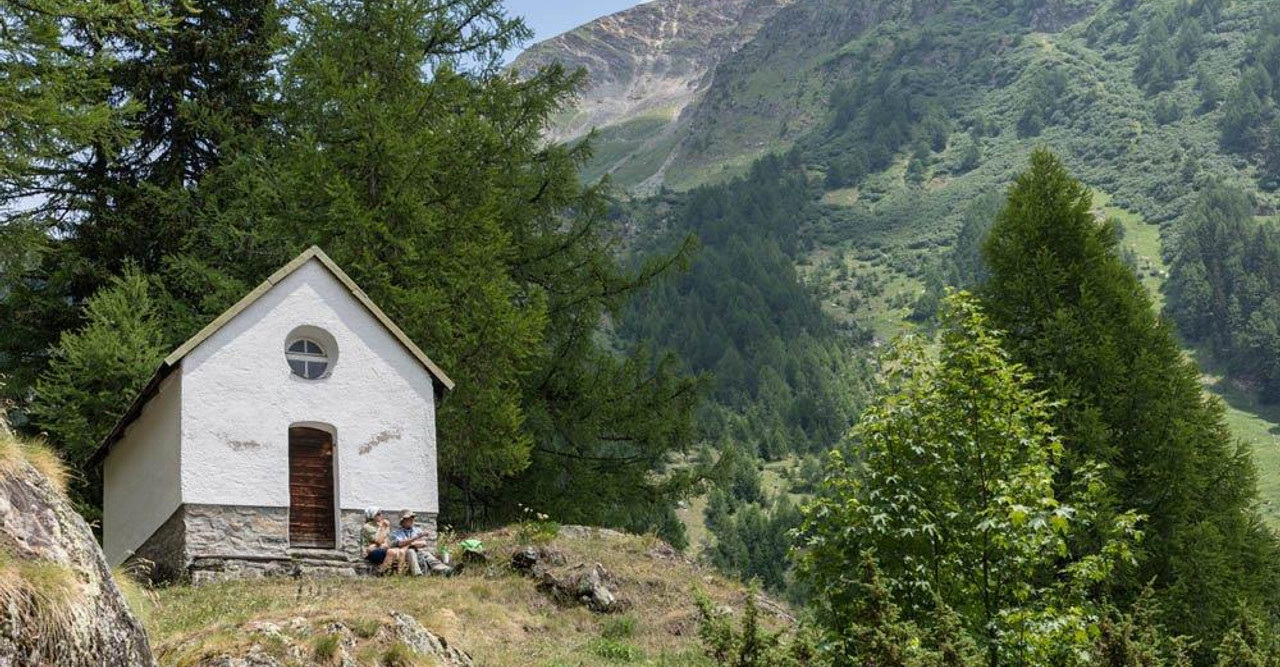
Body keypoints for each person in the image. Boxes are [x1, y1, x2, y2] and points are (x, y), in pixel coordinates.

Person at [389, 510, 455, 576]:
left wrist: (410, 543)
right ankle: (417, 574)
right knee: (410, 551)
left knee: (428, 556)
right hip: (403, 553)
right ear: (403, 521)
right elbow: (400, 543)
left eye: (413, 518)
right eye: (409, 518)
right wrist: (415, 539)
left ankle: (447, 570)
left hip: (418, 551)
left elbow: (423, 543)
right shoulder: (397, 532)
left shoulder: (416, 530)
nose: (412, 520)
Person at [360, 507, 419, 575]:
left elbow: (387, 541)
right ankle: (381, 572)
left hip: (380, 548)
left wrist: (383, 544)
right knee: (391, 552)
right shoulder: (368, 527)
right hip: (371, 553)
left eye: (381, 513)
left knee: (400, 551)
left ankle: (399, 573)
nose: (381, 515)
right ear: (372, 515)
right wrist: (383, 528)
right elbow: (379, 541)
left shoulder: (381, 524)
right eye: (378, 514)